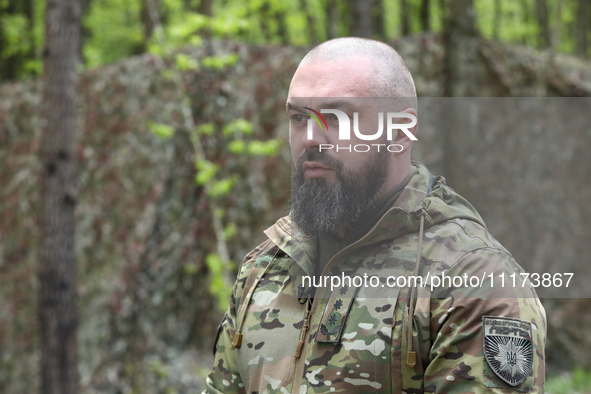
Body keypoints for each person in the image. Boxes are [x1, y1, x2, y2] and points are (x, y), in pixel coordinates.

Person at [203, 37, 546, 393]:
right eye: (298, 117)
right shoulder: (266, 266)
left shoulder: (473, 281)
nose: (310, 138)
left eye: (336, 117)